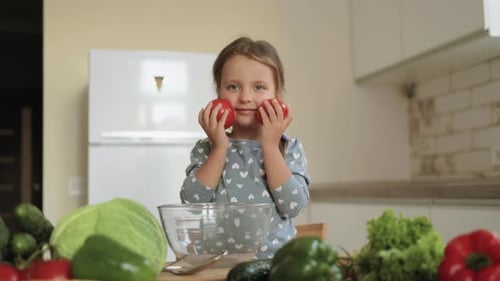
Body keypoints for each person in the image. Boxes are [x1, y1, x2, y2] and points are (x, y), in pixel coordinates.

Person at [180, 36, 310, 259]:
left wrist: (269, 146)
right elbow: (192, 202)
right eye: (233, 86)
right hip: (215, 268)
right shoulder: (207, 147)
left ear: (277, 96)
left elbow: (293, 205)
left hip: (273, 267)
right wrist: (220, 148)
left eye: (259, 87)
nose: (246, 97)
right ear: (218, 93)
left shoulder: (288, 147)